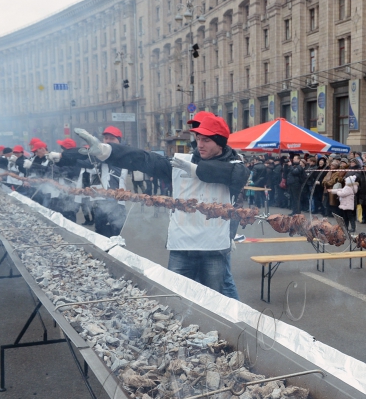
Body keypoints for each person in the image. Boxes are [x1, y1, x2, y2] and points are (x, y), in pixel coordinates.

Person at [68, 115, 248, 300]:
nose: (200, 144)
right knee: (176, 298)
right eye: (198, 139)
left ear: (220, 143)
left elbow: (237, 175)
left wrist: (196, 170)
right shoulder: (181, 162)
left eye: (207, 140)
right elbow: (145, 159)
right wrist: (107, 151)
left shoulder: (234, 164)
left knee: (214, 300)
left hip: (214, 249)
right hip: (182, 246)